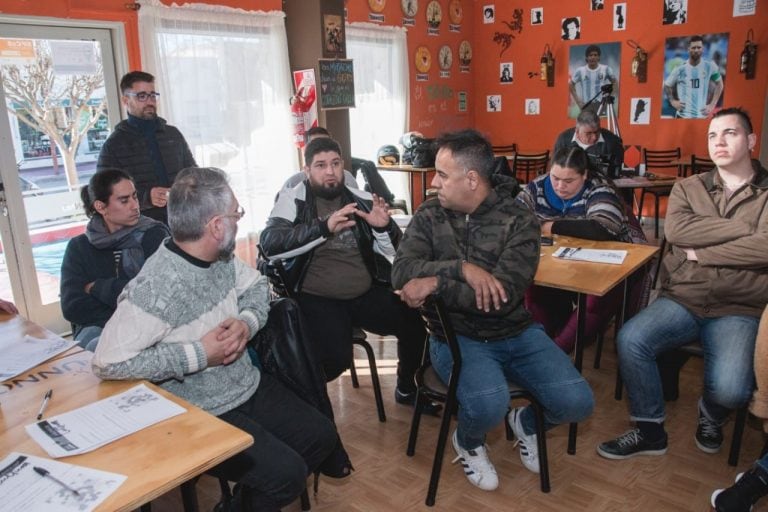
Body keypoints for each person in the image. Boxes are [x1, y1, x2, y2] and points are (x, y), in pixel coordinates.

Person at [92, 167, 339, 511]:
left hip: (244, 386)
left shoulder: (219, 257)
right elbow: (108, 361)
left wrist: (246, 322)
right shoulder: (158, 286)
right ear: (216, 226)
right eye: (236, 214)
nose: (240, 220)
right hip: (198, 411)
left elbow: (256, 287)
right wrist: (198, 354)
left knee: (322, 436)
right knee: (287, 475)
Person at [392, 129, 594, 491]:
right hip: (456, 337)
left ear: (471, 179)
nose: (433, 181)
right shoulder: (429, 214)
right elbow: (402, 272)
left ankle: (526, 425)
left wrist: (436, 283)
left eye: (441, 174)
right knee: (489, 404)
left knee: (577, 403)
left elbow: (498, 298)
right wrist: (460, 269)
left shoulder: (518, 220)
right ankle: (468, 441)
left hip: (515, 331)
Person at [597, 107, 768, 461]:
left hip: (738, 306)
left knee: (733, 391)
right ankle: (649, 429)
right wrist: (746, 230)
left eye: (730, 133)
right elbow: (677, 231)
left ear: (751, 140)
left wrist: (702, 253)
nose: (719, 141)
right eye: (712, 136)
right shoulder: (689, 187)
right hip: (683, 298)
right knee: (630, 339)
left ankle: (711, 412)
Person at [260, 137, 437, 414]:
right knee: (335, 358)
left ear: (343, 166)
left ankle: (406, 387)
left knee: (415, 323)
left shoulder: (362, 199)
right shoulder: (293, 199)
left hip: (364, 292)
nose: (329, 171)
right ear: (307, 171)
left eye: (335, 163)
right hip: (317, 297)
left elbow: (397, 253)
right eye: (320, 165)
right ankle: (305, 408)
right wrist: (324, 228)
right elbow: (271, 243)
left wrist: (383, 227)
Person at [517, 146, 635, 353]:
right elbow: (514, 217)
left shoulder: (599, 188)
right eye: (555, 178)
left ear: (585, 175)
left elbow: (602, 227)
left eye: (569, 181)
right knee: (532, 288)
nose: (560, 186)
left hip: (606, 264)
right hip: (559, 262)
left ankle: (555, 353)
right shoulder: (537, 187)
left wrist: (548, 226)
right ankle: (542, 349)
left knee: (594, 302)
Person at [60, 169, 169, 351]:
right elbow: (73, 306)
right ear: (101, 207)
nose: (135, 205)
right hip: (98, 326)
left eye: (134, 197)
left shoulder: (154, 236)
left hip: (148, 327)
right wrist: (121, 311)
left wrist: (98, 288)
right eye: (124, 200)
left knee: (98, 346)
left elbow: (156, 295)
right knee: (91, 342)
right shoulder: (79, 247)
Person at [97, 71, 197, 224]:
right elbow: (103, 192)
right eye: (141, 96)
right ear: (126, 100)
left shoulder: (172, 134)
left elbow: (192, 172)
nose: (149, 101)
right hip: (143, 227)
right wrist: (147, 197)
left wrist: (190, 187)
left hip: (183, 218)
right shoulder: (114, 145)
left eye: (152, 95)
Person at [710, 305, 768, 511]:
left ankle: (760, 477)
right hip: (692, 298)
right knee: (632, 339)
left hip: (740, 306)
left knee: (730, 387)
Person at [280, 126, 357, 192]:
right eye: (315, 145)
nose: (322, 148)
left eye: (326, 143)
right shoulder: (292, 184)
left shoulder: (348, 178)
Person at [664, 36, 724, 119]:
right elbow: (667, 85)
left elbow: (719, 84)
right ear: (688, 49)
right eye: (693, 48)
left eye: (699, 47)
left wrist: (712, 104)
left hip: (702, 116)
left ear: (702, 49)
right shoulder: (680, 68)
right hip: (682, 116)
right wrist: (673, 101)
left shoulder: (710, 66)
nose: (696, 50)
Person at [553, 110, 624, 176]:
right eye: (588, 133)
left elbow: (617, 171)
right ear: (577, 131)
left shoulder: (612, 141)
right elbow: (555, 165)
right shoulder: (564, 139)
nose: (594, 137)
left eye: (597, 132)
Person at [568, 45, 618, 112]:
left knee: (602, 122)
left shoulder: (606, 69)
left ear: (599, 57)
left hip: (602, 105)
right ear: (587, 58)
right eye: (590, 55)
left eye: (595, 55)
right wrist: (578, 101)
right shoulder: (580, 71)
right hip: (587, 106)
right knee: (587, 122)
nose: (593, 57)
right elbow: (571, 84)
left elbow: (615, 82)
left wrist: (611, 97)